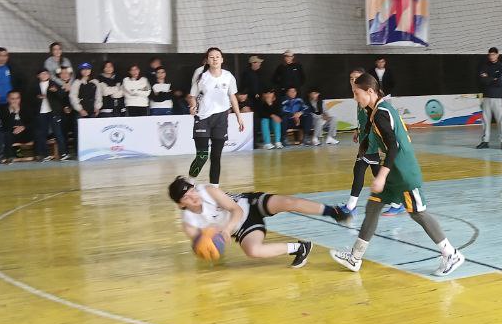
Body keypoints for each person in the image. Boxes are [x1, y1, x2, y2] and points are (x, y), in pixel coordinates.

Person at [331, 73, 465, 275]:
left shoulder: (381, 113)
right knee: (373, 207)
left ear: (370, 91)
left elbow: (394, 146)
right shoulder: (376, 110)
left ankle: (451, 254)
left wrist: (381, 176)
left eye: (356, 93)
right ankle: (355, 258)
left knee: (418, 213)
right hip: (392, 172)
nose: (354, 97)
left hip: (403, 171)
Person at [169, 176, 337, 268]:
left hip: (249, 204)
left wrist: (226, 230)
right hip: (243, 227)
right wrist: (210, 247)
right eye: (186, 197)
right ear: (180, 205)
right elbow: (204, 245)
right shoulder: (189, 224)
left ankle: (334, 211)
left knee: (288, 202)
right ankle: (301, 248)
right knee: (253, 251)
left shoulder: (208, 191)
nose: (193, 197)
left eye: (192, 191)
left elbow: (237, 210)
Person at [336, 68, 393, 222]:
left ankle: (351, 206)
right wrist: (357, 130)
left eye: (356, 78)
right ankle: (397, 202)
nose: (353, 80)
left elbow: (374, 122)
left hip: (370, 143)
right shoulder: (358, 96)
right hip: (365, 140)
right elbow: (364, 119)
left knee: (359, 170)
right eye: (351, 78)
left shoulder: (368, 98)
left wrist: (371, 142)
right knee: (377, 174)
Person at [190, 47, 244, 184]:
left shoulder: (228, 76)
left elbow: (232, 97)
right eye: (211, 57)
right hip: (203, 118)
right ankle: (189, 183)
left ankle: (214, 189)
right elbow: (193, 96)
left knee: (216, 157)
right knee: (202, 156)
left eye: (217, 57)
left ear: (222, 59)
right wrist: (192, 106)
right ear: (207, 60)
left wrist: (239, 117)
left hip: (221, 119)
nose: (215, 59)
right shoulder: (201, 75)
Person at [32, 69, 69, 161]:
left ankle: (63, 153)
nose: (44, 75)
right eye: (42, 74)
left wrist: (56, 91)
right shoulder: (35, 86)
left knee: (58, 132)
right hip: (41, 112)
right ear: (38, 76)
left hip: (53, 112)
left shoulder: (54, 84)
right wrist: (37, 98)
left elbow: (62, 95)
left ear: (49, 75)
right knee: (42, 133)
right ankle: (45, 154)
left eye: (46, 74)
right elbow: (30, 98)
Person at [477, 47, 502, 150]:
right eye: (490, 54)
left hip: (498, 97)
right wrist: (493, 79)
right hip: (486, 97)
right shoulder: (484, 66)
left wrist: (488, 78)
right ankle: (485, 141)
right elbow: (482, 80)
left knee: (501, 120)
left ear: (497, 55)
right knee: (485, 120)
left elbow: (501, 82)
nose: (491, 56)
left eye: (494, 54)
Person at [0, 90, 32, 160]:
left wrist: (23, 127)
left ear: (20, 99)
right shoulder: (2, 110)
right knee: (6, 134)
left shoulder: (26, 107)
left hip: (25, 133)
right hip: (11, 133)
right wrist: (14, 112)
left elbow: (33, 122)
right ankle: (9, 156)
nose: (15, 101)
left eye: (17, 98)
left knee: (37, 131)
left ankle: (40, 155)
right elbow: (5, 126)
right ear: (8, 99)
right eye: (12, 99)